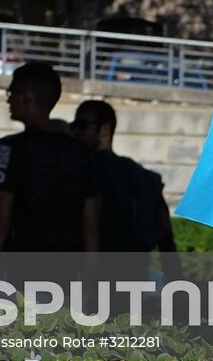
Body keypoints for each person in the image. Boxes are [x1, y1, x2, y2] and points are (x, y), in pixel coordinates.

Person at [0, 63, 100, 253]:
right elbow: (90, 227)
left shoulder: (9, 147)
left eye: (11, 93)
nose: (8, 100)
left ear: (26, 99)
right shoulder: (82, 153)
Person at [71, 99, 180, 282]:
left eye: (82, 125)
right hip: (133, 277)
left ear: (105, 129)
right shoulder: (143, 177)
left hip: (97, 279)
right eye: (74, 126)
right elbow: (165, 233)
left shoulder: (87, 173)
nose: (75, 132)